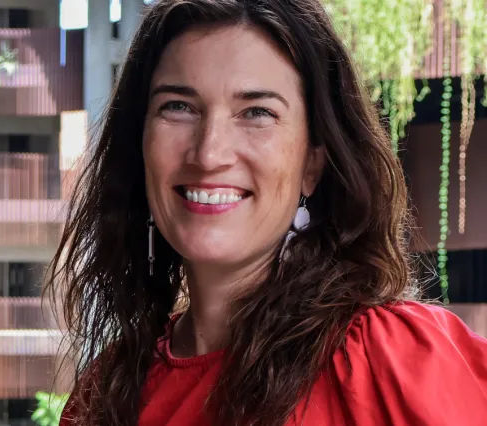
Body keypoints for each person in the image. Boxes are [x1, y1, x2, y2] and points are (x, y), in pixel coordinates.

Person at [51, 0, 487, 425]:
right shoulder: (105, 392)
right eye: (178, 107)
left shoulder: (391, 360)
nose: (209, 153)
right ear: (139, 144)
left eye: (257, 112)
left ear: (313, 164)